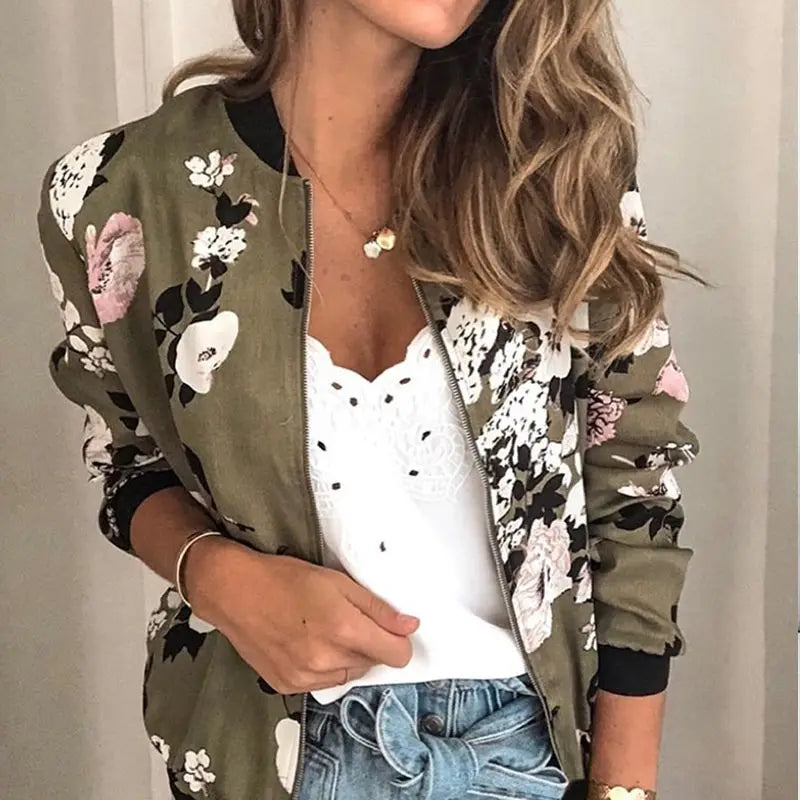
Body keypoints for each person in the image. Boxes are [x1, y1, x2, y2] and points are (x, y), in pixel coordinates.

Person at [36, 1, 702, 798]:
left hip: (526, 754)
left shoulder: (554, 168)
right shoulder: (115, 193)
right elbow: (128, 461)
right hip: (264, 757)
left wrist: (626, 785)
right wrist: (216, 576)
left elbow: (635, 475)